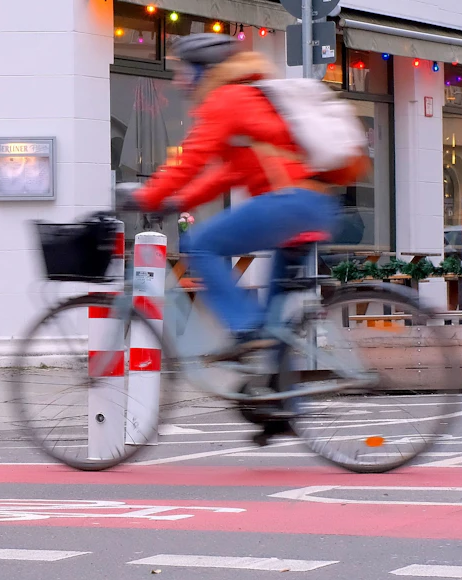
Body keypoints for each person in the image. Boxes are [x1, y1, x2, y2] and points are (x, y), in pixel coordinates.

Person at [128, 32, 337, 355]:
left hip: (288, 204)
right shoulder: (248, 97)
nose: (180, 80)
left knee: (199, 246)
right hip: (312, 203)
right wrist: (178, 202)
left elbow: (190, 161)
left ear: (203, 69)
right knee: (273, 323)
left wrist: (147, 196)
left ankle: (242, 325)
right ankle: (280, 400)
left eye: (184, 70)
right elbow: (228, 173)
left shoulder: (226, 99)